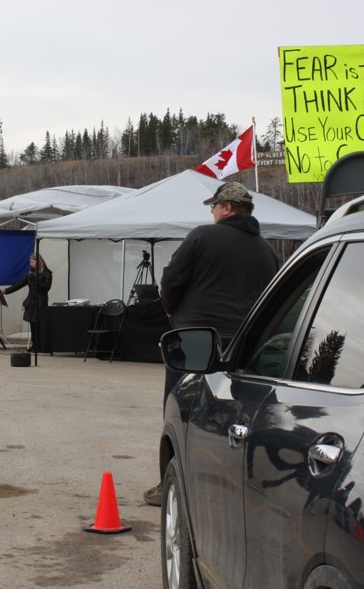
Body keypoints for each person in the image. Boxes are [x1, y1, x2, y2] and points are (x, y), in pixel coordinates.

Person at [144, 182, 280, 506]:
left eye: (215, 206)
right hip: (244, 349)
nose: (212, 211)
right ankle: (230, 490)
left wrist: (171, 310)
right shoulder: (269, 251)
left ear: (228, 208)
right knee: (236, 419)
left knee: (181, 415)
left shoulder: (203, 236)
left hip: (195, 344)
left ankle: (173, 486)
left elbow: (171, 279)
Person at [1, 253, 52, 352]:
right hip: (31, 303)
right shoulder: (30, 273)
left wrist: (36, 279)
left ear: (39, 261)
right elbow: (20, 283)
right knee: (33, 325)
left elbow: (46, 288)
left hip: (40, 303)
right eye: (30, 262)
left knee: (38, 325)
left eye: (33, 262)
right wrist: (6, 291)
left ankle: (40, 346)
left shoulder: (47, 273)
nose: (31, 264)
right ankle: (34, 345)